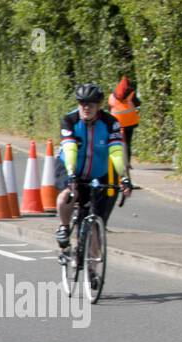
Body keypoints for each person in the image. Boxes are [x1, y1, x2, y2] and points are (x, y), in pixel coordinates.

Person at [54, 83, 131, 256]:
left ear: (99, 105)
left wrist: (124, 177)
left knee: (97, 222)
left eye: (91, 104)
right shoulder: (70, 120)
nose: (86, 107)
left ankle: (93, 269)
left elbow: (116, 152)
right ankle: (64, 227)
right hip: (69, 165)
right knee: (68, 194)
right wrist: (72, 175)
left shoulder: (111, 123)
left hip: (98, 172)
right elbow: (70, 149)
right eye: (82, 103)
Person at [108, 76, 141, 180]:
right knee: (128, 144)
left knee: (116, 143)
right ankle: (128, 163)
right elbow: (138, 103)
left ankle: (117, 162)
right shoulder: (131, 93)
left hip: (116, 122)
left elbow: (109, 108)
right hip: (129, 123)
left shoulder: (112, 96)